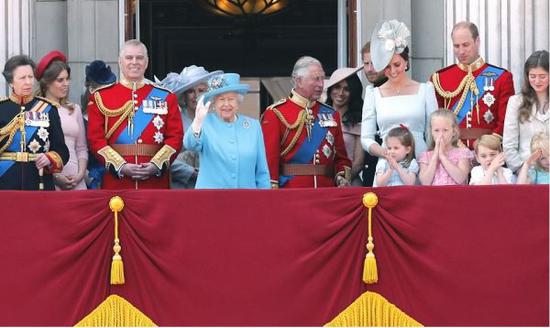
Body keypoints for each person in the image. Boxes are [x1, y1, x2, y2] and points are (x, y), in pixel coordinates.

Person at [87, 39, 183, 189]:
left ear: (146, 62)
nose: (134, 62)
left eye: (139, 58)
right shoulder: (101, 97)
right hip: (117, 181)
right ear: (120, 62)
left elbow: (175, 137)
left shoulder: (166, 97)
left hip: (155, 183)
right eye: (129, 58)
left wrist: (155, 165)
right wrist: (121, 166)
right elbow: (95, 139)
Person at [261, 56, 352, 188]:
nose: (321, 84)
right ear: (298, 81)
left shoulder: (331, 114)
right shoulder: (275, 113)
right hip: (292, 192)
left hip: (326, 192)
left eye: (322, 78)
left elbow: (341, 158)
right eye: (316, 79)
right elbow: (269, 159)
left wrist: (340, 176)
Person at [361, 19, 438, 163]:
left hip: (421, 162)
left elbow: (432, 133)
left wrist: (429, 161)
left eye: (397, 65)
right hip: (387, 164)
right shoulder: (374, 94)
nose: (393, 71)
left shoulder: (426, 90)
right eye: (387, 67)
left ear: (406, 62)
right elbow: (366, 138)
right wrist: (385, 153)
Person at [431, 21, 515, 149]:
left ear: (477, 41)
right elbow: (436, 120)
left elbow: (506, 120)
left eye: (466, 45)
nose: (461, 51)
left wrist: (487, 147)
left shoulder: (502, 77)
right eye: (456, 46)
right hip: (452, 150)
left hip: (488, 153)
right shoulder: (439, 78)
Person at [183, 73, 270, 189]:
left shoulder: (253, 126)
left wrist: (264, 201)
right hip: (211, 199)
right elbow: (190, 144)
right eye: (221, 99)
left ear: (238, 102)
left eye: (231, 99)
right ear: (214, 103)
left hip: (246, 199)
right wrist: (198, 121)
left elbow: (262, 171)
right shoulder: (204, 122)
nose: (226, 104)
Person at [0, 55, 69, 190]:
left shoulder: (48, 109)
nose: (28, 82)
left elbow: (62, 151)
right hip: (5, 181)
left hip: (38, 181)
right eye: (22, 78)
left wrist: (49, 158)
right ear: (10, 82)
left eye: (30, 77)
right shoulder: (2, 108)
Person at [155, 65, 223, 189]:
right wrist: (190, 172)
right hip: (182, 188)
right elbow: (162, 156)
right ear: (184, 96)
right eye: (191, 91)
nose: (196, 95)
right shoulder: (174, 121)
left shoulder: (218, 122)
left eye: (201, 90)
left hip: (213, 186)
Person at [36, 50, 88, 190]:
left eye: (67, 79)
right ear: (47, 83)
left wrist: (80, 174)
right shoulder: (36, 111)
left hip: (77, 182)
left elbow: (82, 148)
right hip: (50, 181)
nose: (66, 84)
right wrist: (56, 177)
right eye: (60, 80)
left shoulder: (74, 109)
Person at [503, 50, 549, 172]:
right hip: (526, 172)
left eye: (542, 76)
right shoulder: (515, 102)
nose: (537, 81)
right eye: (532, 76)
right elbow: (509, 145)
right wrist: (522, 170)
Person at [325, 67, 365, 186]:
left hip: (350, 182)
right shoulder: (319, 116)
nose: (341, 93)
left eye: (346, 89)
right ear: (330, 89)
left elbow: (359, 162)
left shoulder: (359, 121)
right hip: (323, 182)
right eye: (337, 87)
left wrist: (342, 180)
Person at [81, 60, 117, 189]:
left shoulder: (118, 116)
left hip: (118, 178)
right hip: (92, 183)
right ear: (92, 90)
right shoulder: (80, 120)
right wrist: (88, 178)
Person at [418, 109, 473, 185]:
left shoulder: (463, 153)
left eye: (445, 130)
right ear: (431, 132)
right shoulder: (426, 156)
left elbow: (460, 179)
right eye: (436, 130)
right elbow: (425, 182)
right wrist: (435, 156)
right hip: (433, 195)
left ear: (453, 132)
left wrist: (442, 156)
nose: (441, 135)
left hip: (457, 195)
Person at [359, 41, 387, 186]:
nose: (369, 69)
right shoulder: (371, 91)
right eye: (366, 63)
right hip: (372, 167)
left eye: (374, 63)